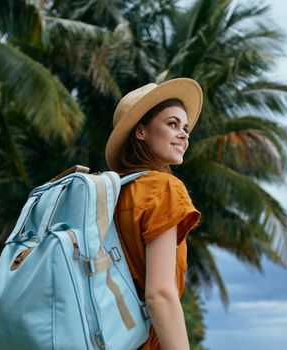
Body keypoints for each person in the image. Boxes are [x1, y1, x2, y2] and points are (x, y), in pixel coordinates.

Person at [104, 78, 203, 350]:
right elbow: (159, 294)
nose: (184, 134)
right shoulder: (163, 189)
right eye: (172, 124)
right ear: (141, 132)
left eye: (185, 128)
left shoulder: (109, 194)